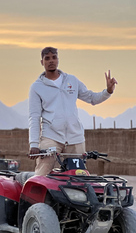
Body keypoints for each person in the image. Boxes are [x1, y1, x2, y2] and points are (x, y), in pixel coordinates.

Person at [28, 46, 118, 175]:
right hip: (51, 137)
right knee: (41, 175)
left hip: (75, 137)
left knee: (78, 176)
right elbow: (34, 116)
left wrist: (108, 91)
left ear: (58, 60)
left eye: (54, 57)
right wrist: (34, 144)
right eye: (47, 58)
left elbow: (92, 98)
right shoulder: (37, 87)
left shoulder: (72, 80)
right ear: (42, 62)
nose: (51, 61)